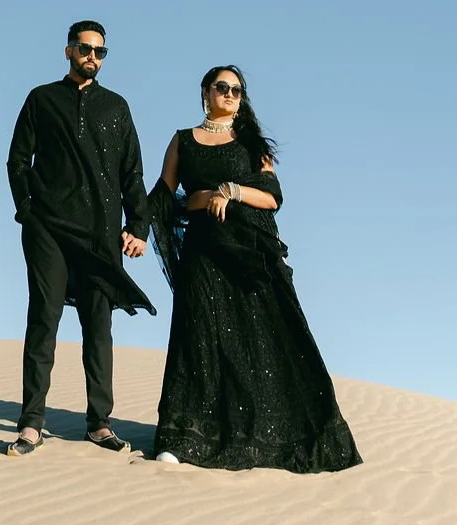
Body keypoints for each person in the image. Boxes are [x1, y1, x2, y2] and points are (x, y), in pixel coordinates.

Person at [147, 65, 362, 472]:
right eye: (221, 87)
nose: (229, 95)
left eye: (236, 90)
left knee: (261, 343)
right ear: (205, 92)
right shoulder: (182, 142)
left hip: (252, 254)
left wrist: (233, 191)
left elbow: (273, 196)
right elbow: (164, 194)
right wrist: (136, 227)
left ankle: (264, 438)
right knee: (197, 340)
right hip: (203, 253)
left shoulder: (252, 143)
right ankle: (180, 438)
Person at [5, 20, 155, 457]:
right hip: (48, 229)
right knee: (43, 321)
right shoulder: (42, 99)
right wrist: (27, 212)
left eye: (100, 51)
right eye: (85, 49)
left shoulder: (116, 107)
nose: (93, 56)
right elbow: (17, 159)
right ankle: (31, 423)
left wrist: (138, 227)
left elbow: (133, 173)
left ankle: (99, 423)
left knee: (99, 328)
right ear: (68, 50)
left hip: (101, 235)